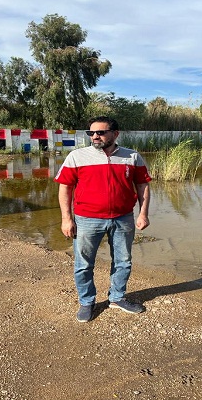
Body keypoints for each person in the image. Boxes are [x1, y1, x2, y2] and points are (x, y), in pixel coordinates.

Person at [54, 116, 151, 322]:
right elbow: (65, 188)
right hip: (87, 219)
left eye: (100, 132)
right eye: (91, 133)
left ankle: (116, 298)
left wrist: (143, 213)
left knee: (123, 261)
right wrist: (66, 219)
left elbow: (142, 185)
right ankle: (87, 302)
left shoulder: (132, 156)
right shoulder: (76, 156)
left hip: (123, 218)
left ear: (115, 134)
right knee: (83, 263)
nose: (95, 136)